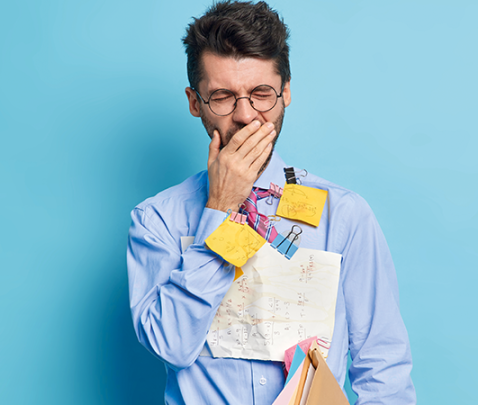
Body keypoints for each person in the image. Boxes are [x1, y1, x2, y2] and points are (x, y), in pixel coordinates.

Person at [127, 1, 416, 404]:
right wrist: (220, 209)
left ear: (286, 92)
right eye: (223, 97)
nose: (246, 116)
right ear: (196, 103)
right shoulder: (156, 220)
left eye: (261, 93)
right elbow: (170, 345)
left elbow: (382, 366)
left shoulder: (344, 216)